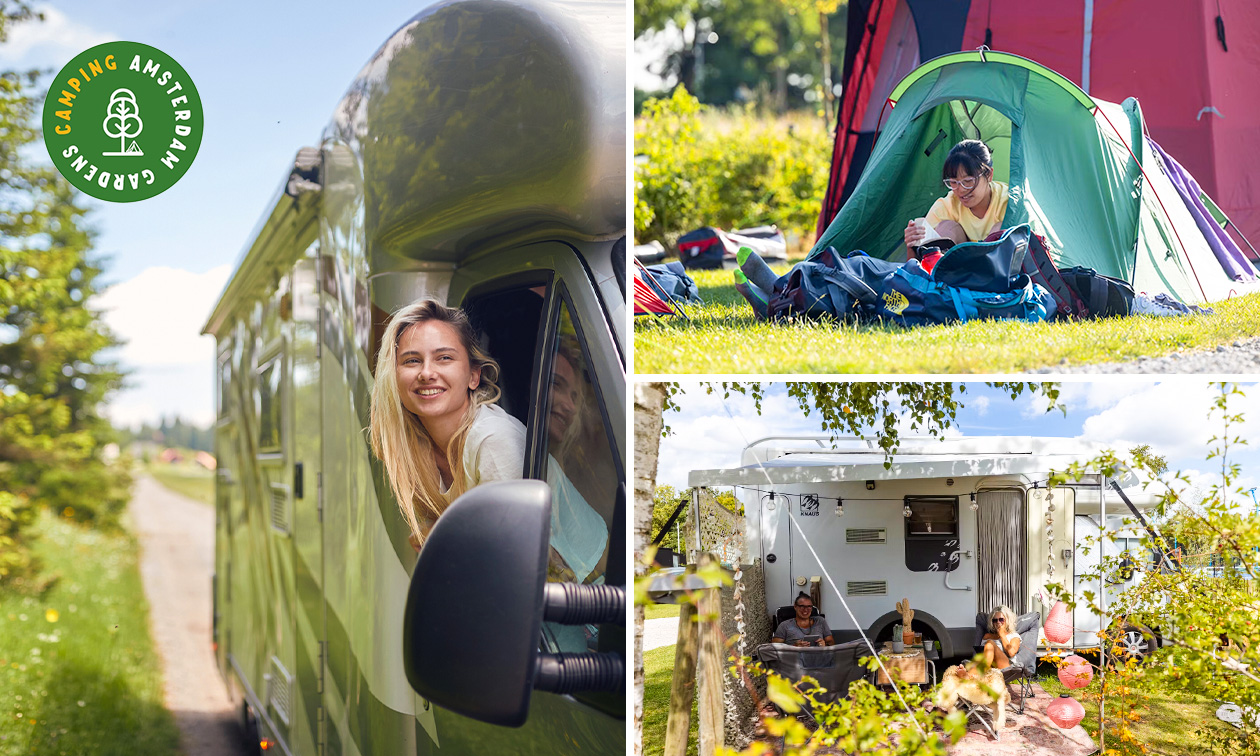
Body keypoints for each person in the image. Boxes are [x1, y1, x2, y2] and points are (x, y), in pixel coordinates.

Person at [368, 299, 525, 552]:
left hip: (585, 586)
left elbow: (507, 551)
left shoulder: (494, 439)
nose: (426, 373)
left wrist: (441, 540)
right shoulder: (415, 449)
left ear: (474, 376)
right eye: (411, 361)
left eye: (444, 358)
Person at [902, 139, 1009, 260]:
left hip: (999, 273)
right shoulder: (947, 206)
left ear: (989, 175)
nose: (960, 190)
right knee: (946, 228)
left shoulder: (1009, 202)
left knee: (1003, 231)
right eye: (953, 182)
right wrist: (912, 245)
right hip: (956, 273)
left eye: (968, 181)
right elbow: (917, 263)